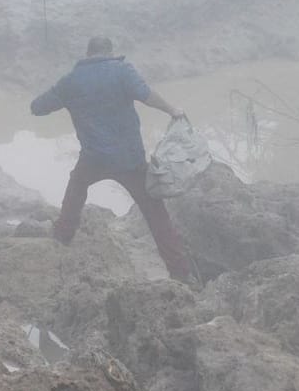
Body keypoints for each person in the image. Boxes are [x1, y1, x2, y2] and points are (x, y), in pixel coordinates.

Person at [30, 36, 193, 281]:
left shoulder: (71, 81)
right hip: (130, 159)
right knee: (156, 213)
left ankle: (63, 235)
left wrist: (55, 92)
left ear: (88, 54)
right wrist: (173, 110)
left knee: (76, 186)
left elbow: (37, 108)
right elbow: (147, 95)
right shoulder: (122, 71)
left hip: (94, 158)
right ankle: (180, 273)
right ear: (109, 51)